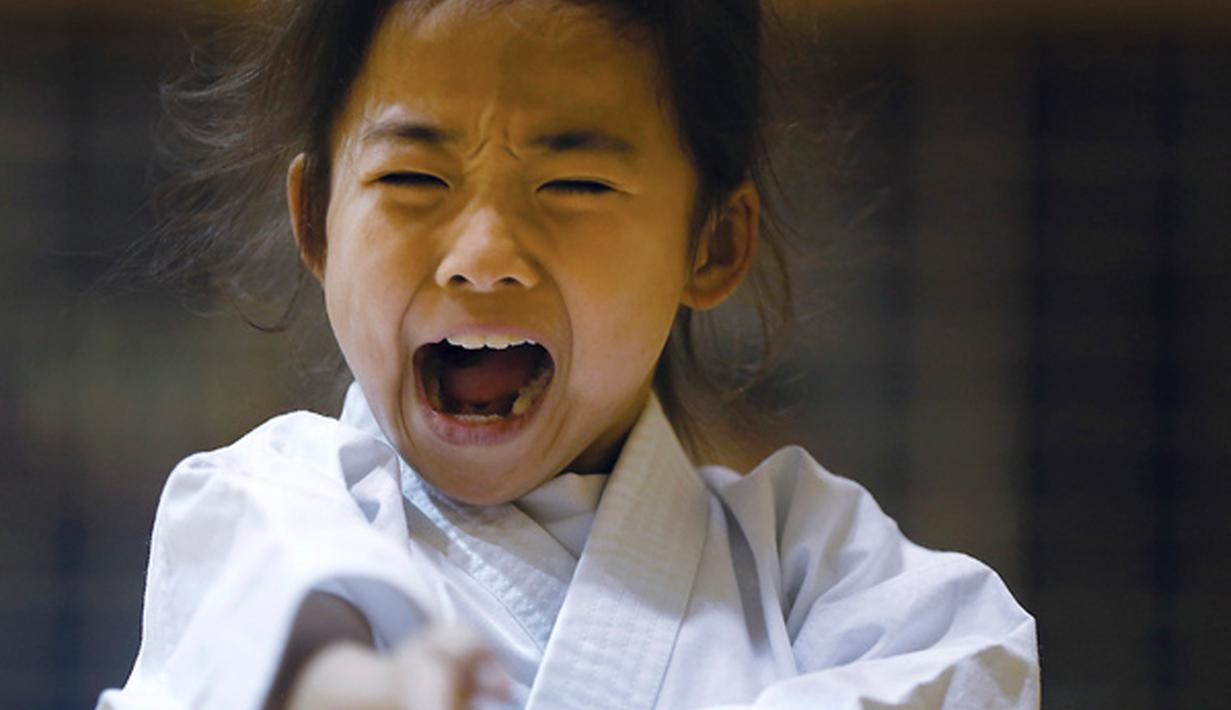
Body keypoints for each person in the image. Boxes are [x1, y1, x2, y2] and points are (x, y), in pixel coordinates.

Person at [98, 0, 1040, 708]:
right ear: (316, 223)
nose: (482, 259)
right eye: (414, 177)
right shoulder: (270, 498)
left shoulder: (813, 563)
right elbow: (293, 638)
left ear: (710, 242)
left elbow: (972, 669)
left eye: (576, 182)